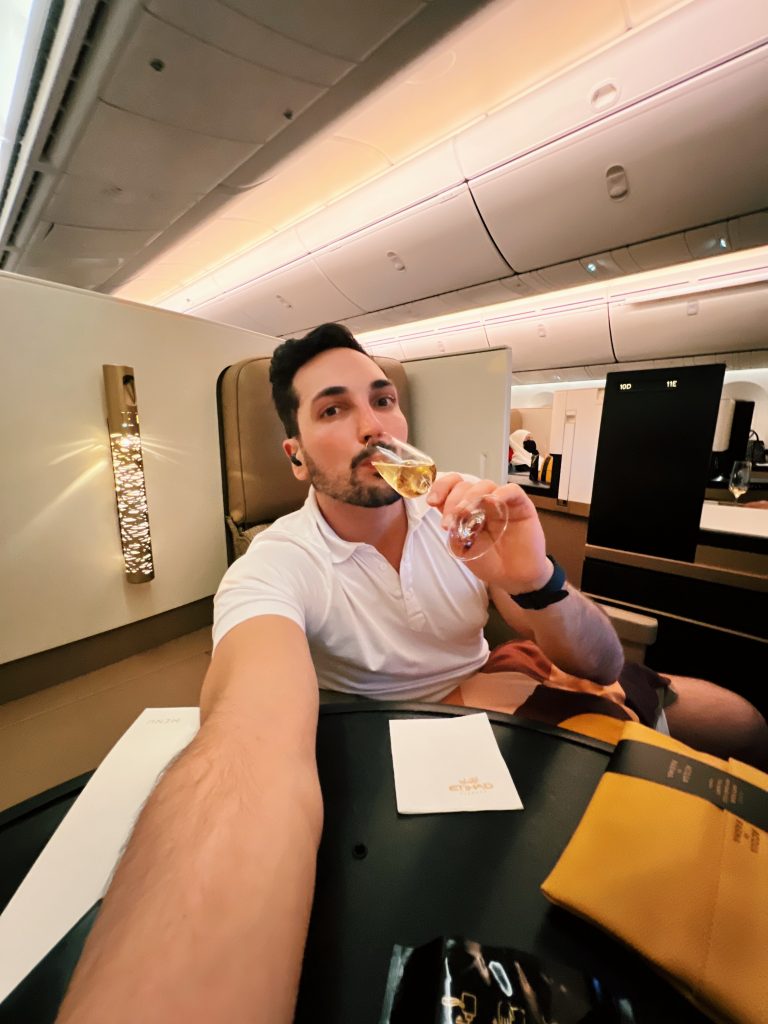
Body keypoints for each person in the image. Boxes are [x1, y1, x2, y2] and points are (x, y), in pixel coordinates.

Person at [56, 324, 766, 1023]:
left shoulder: (457, 522)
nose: (372, 425)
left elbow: (603, 662)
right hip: (412, 746)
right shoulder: (273, 567)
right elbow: (248, 738)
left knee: (740, 721)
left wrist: (535, 579)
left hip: (514, 683)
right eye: (333, 410)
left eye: (383, 400)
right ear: (296, 457)